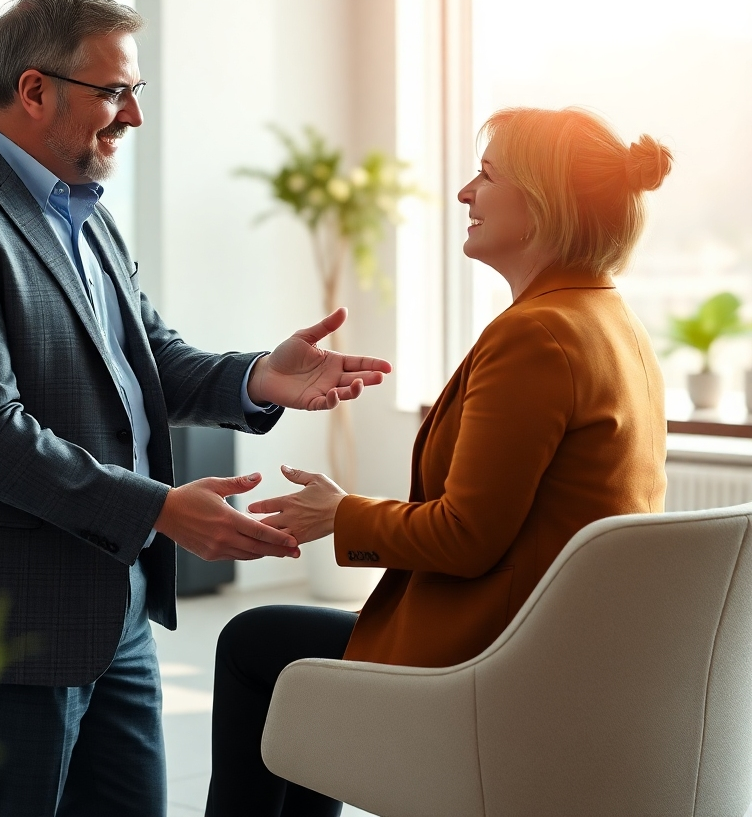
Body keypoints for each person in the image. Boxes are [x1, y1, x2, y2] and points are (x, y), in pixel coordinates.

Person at [0, 0, 392, 817]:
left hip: (116, 610)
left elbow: (149, 361)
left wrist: (262, 377)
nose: (132, 119)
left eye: (134, 94)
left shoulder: (87, 214)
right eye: (114, 93)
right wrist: (160, 511)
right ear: (35, 90)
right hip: (6, 620)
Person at [205, 106, 674, 817]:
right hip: (564, 655)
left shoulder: (538, 336)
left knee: (254, 642)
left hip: (496, 661)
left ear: (543, 207)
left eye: (486, 177)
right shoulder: (612, 322)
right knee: (287, 655)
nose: (464, 194)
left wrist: (342, 515)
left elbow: (466, 536)